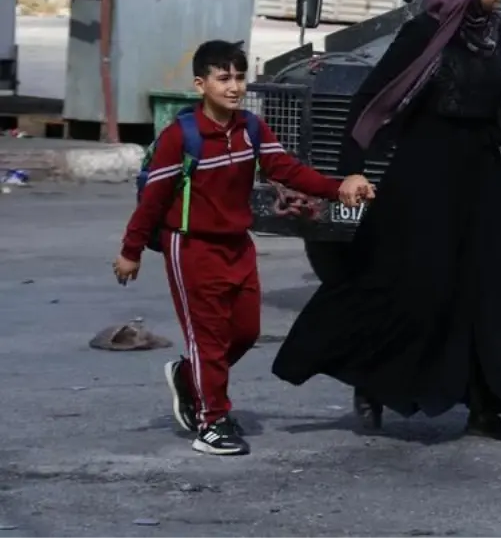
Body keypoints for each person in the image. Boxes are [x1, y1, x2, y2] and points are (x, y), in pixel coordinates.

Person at [272, 0, 501, 443]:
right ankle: (370, 380)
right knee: (408, 288)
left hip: (481, 181)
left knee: (492, 289)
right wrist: (350, 173)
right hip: (425, 182)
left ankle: (489, 405)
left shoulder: (491, 31)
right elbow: (369, 101)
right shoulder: (422, 36)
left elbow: (486, 85)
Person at [113, 40, 372, 457]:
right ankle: (211, 423)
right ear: (201, 84)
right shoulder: (181, 137)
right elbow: (154, 200)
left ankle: (188, 376)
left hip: (237, 247)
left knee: (246, 331)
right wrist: (132, 250)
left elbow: (287, 169)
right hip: (192, 249)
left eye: (238, 77)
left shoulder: (250, 128)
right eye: (223, 78)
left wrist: (337, 188)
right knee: (210, 340)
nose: (233, 87)